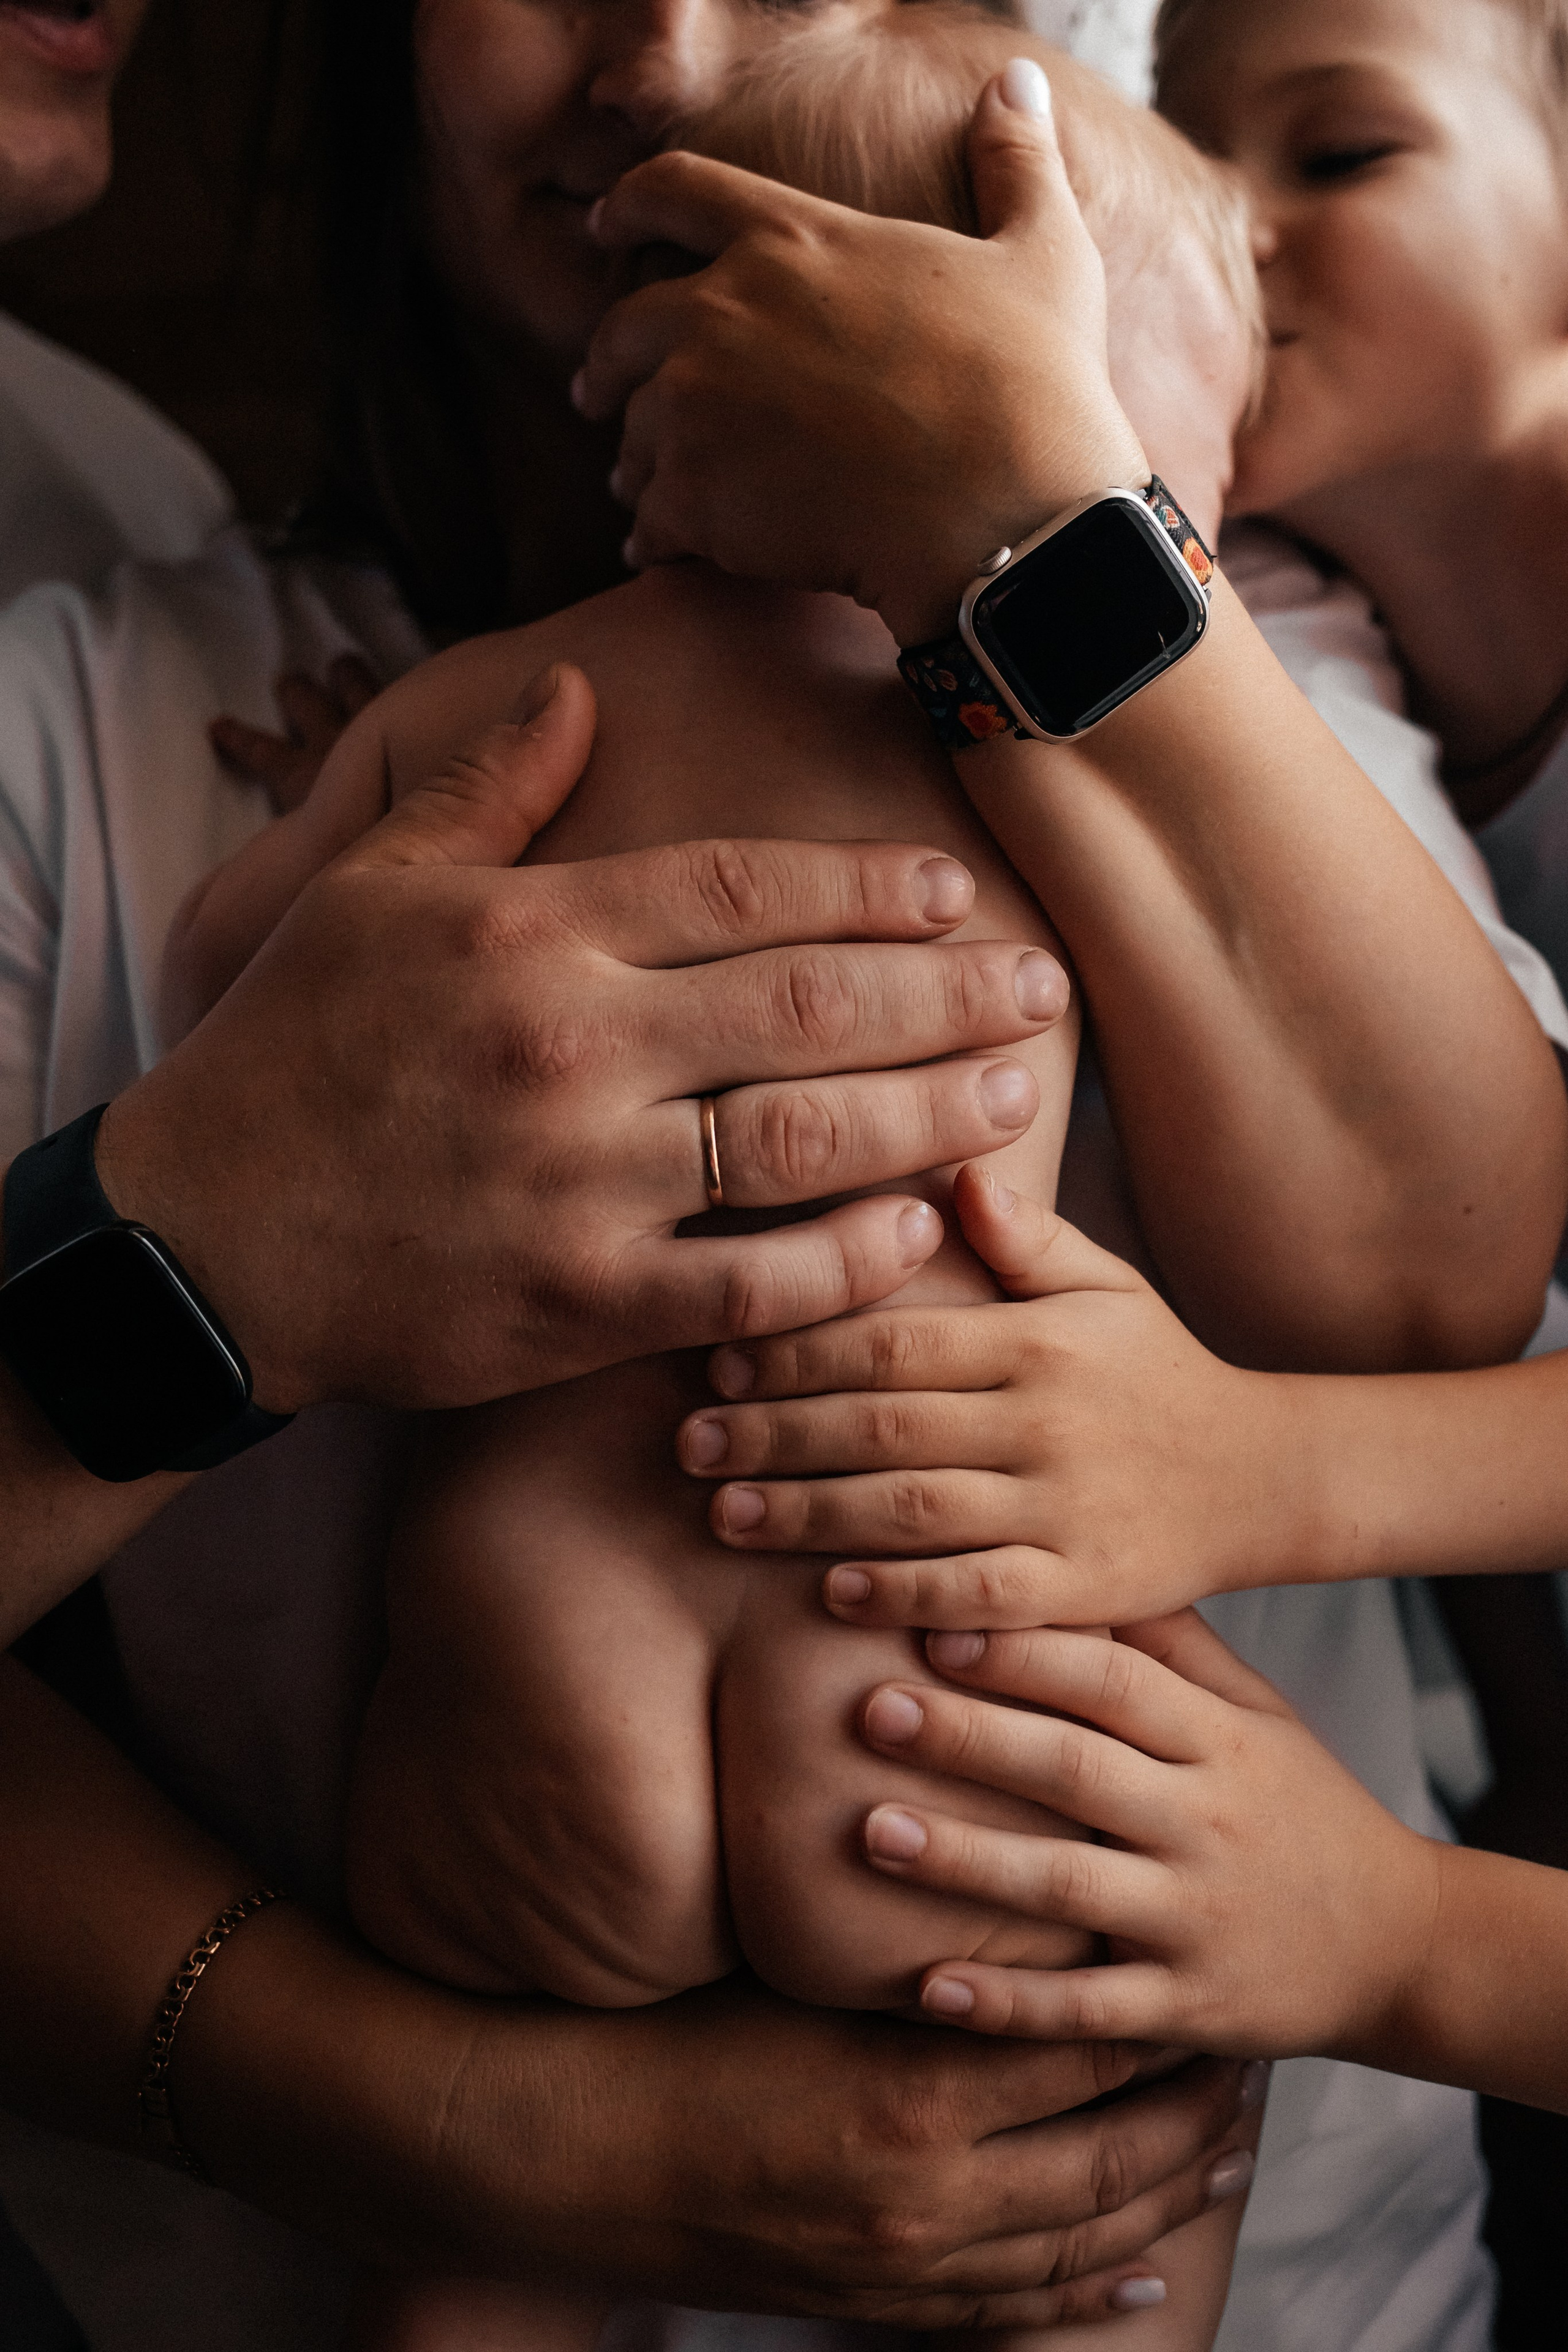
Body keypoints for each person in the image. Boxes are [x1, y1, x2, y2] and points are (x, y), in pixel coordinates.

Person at [0, 8, 1556, 2350]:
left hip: (539, 1626)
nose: (666, 42)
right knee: (1110, 2224)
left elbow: (1431, 1280)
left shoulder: (1218, 693)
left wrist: (351, 853)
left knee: (472, 2291)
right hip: (971, 1697)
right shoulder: (74, 705)